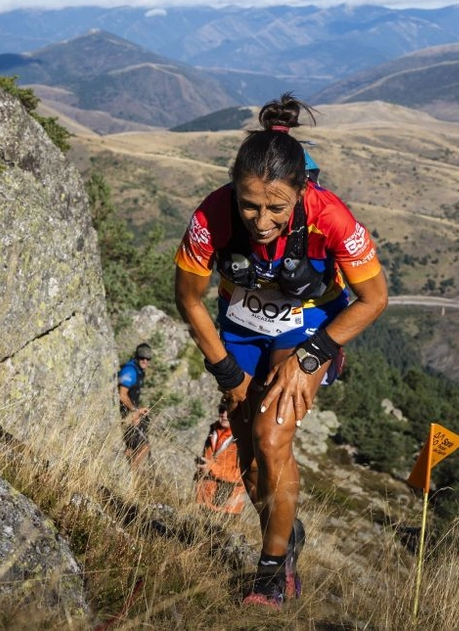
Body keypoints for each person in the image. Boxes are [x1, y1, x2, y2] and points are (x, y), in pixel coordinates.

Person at [174, 93, 388, 609]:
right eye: (249, 204)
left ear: (300, 192)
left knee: (272, 438)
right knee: (249, 461)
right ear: (234, 189)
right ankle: (286, 534)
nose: (261, 220)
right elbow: (188, 299)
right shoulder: (212, 214)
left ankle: (273, 573)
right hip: (242, 324)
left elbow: (374, 298)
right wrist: (227, 373)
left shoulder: (330, 215)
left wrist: (312, 356)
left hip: (308, 321)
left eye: (276, 207)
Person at [194, 401, 249, 514]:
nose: (224, 414)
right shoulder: (214, 431)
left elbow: (242, 477)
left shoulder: (245, 439)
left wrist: (212, 468)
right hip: (203, 501)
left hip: (227, 509)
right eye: (221, 410)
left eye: (229, 411)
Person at [117, 343, 153, 469]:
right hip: (126, 415)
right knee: (144, 447)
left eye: (148, 358)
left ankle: (127, 471)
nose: (145, 361)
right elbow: (122, 395)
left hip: (130, 414)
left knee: (132, 448)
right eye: (142, 357)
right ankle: (131, 473)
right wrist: (135, 411)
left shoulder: (138, 371)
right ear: (136, 357)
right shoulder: (130, 371)